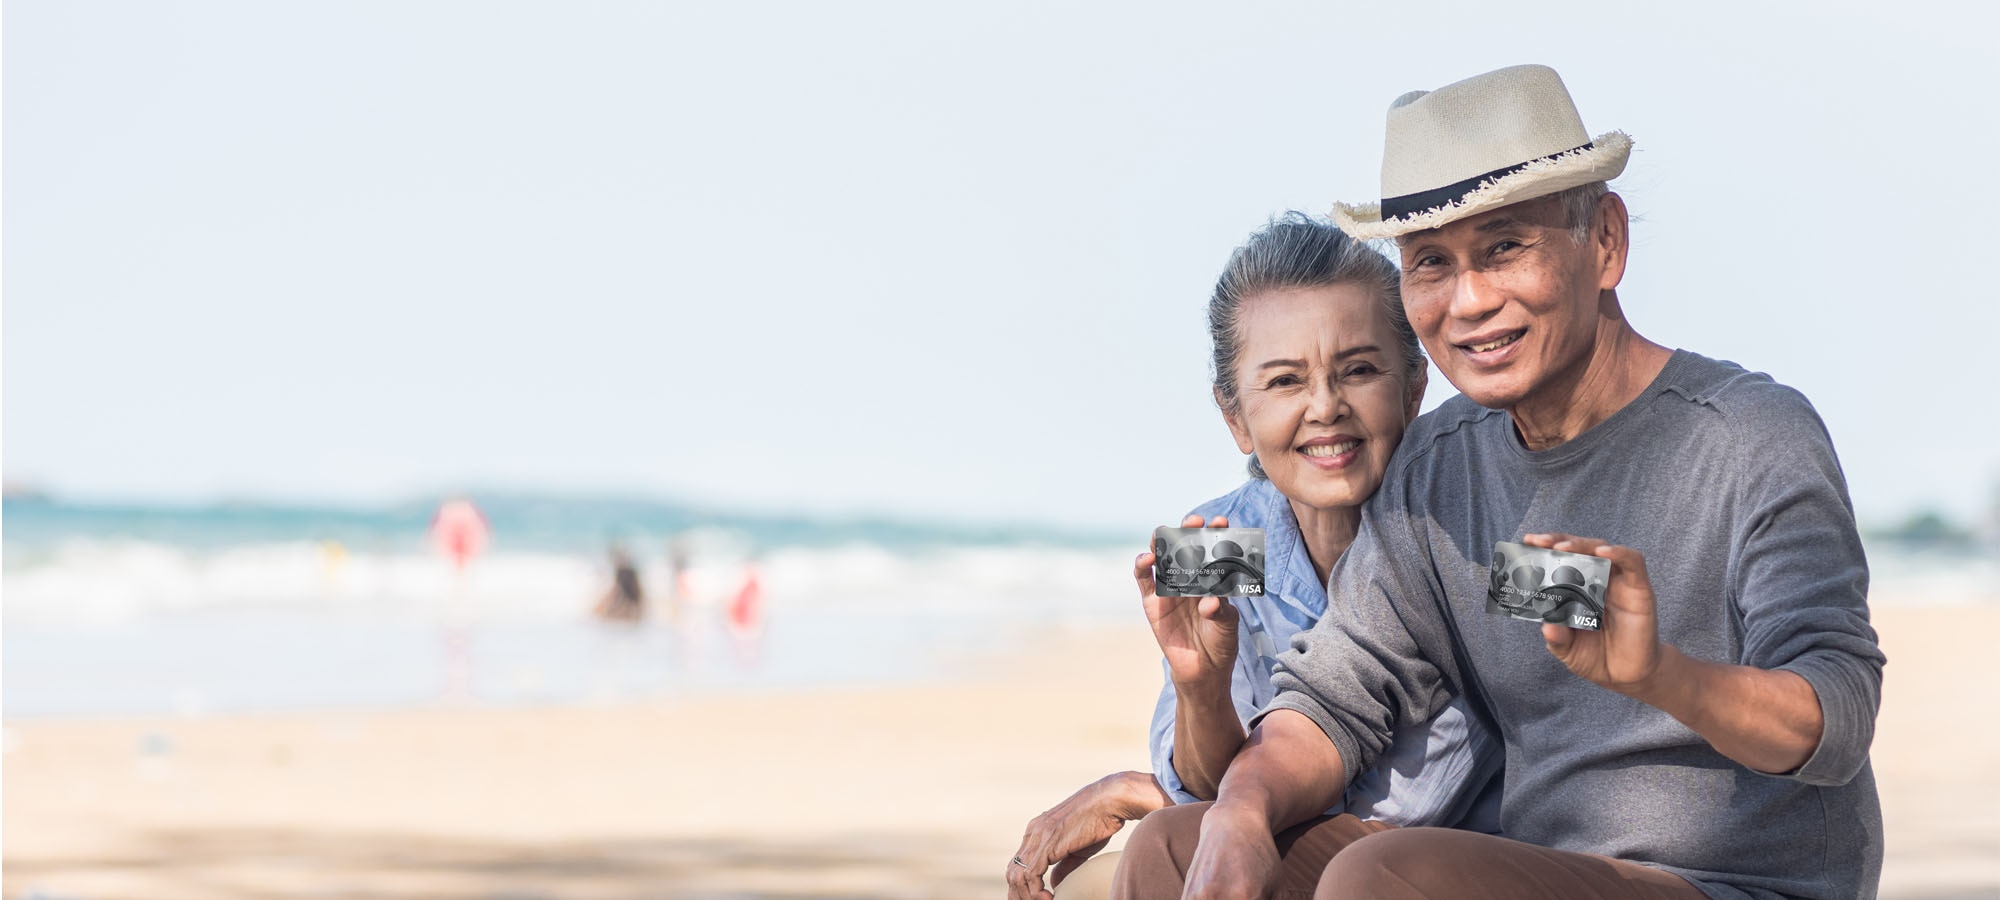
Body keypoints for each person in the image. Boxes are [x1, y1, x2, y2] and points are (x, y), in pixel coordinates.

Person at [1111, 64, 1884, 900]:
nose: (1469, 301)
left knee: (1380, 878)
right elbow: (1337, 696)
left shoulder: (1748, 435)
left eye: (1505, 248)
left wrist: (1662, 673)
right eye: (1431, 262)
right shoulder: (1439, 472)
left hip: (1737, 883)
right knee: (1171, 848)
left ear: (1605, 244)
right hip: (1541, 868)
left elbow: (1835, 717)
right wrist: (1239, 805)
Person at [1006, 215, 1504, 900]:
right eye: (1284, 382)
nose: (1325, 407)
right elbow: (1207, 793)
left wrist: (1138, 794)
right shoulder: (1212, 538)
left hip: (1453, 865)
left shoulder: (1469, 526)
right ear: (1235, 415)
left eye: (1358, 370)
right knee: (1171, 846)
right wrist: (1200, 693)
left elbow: (1400, 808)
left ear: (1414, 388)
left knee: (1166, 839)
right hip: (1315, 854)